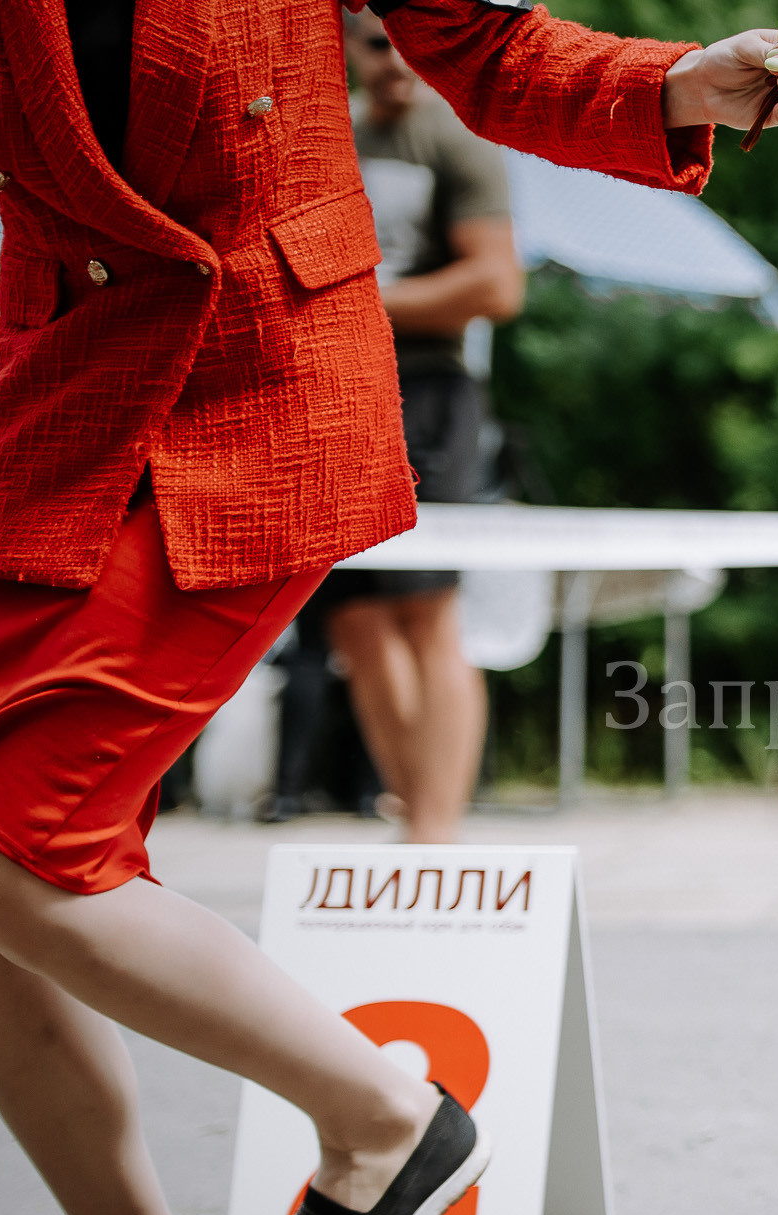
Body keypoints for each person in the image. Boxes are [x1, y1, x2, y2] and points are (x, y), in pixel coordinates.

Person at [0, 1, 778, 1215]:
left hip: (261, 384)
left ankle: (384, 1116)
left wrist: (679, 85)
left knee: (17, 861)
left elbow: (486, 46)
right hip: (61, 391)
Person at [272, 10, 524, 840]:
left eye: (410, 40)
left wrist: (359, 301)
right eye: (381, 42)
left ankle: (435, 840)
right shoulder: (324, 135)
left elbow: (498, 285)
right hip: (329, 391)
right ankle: (419, 821)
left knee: (426, 612)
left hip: (428, 394)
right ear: (349, 42)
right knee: (354, 622)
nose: (398, 60)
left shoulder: (455, 139)